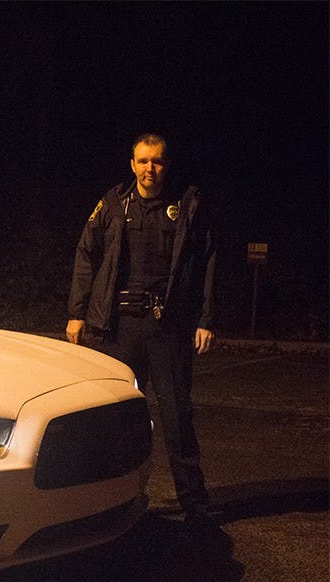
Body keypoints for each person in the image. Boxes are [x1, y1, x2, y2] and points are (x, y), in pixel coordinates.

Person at [66, 133, 221, 536]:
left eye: (157, 162)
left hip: (167, 327)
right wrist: (77, 313)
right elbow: (87, 253)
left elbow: (206, 262)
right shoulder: (115, 203)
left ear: (166, 165)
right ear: (132, 164)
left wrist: (205, 318)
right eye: (143, 161)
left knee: (177, 418)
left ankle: (195, 505)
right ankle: (107, 503)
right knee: (115, 420)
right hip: (121, 327)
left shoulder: (186, 205)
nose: (150, 169)